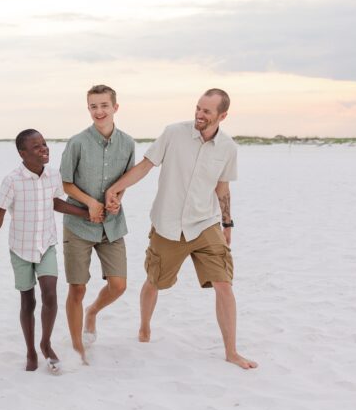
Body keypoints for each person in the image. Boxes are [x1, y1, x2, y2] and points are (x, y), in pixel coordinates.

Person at [104, 88, 257, 369]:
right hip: (168, 225)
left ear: (223, 115)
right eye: (198, 108)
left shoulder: (228, 148)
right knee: (154, 282)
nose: (199, 114)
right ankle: (145, 326)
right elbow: (145, 166)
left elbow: (222, 188)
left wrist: (227, 223)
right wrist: (115, 188)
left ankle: (231, 351)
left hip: (205, 224)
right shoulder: (173, 133)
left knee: (224, 284)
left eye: (207, 111)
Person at [0, 130, 89, 374]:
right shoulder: (12, 180)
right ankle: (30, 349)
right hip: (20, 249)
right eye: (37, 147)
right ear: (23, 153)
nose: (44, 149)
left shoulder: (53, 176)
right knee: (27, 301)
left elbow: (55, 202)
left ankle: (45, 343)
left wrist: (84, 213)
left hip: (46, 245)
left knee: (50, 295)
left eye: (44, 144)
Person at [59, 85, 136, 363]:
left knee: (119, 285)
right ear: (88, 109)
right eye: (93, 106)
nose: (99, 111)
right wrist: (91, 202)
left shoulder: (128, 143)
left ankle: (92, 313)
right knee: (77, 288)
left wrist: (116, 197)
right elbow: (65, 182)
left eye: (104, 105)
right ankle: (78, 345)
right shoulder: (77, 142)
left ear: (115, 107)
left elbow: (125, 179)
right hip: (78, 224)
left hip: (112, 225)